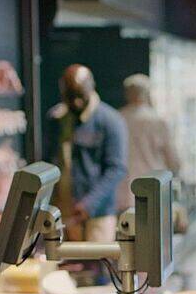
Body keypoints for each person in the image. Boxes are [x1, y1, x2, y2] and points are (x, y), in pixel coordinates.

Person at [45, 64, 128, 242]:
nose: (76, 103)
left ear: (91, 88)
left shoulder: (110, 120)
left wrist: (89, 203)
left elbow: (117, 169)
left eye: (80, 96)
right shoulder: (56, 118)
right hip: (63, 211)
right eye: (70, 97)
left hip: (98, 214)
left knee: (98, 264)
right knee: (66, 266)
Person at [117, 73, 182, 213]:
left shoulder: (118, 118)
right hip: (153, 187)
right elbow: (173, 160)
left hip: (122, 192)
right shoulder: (157, 120)